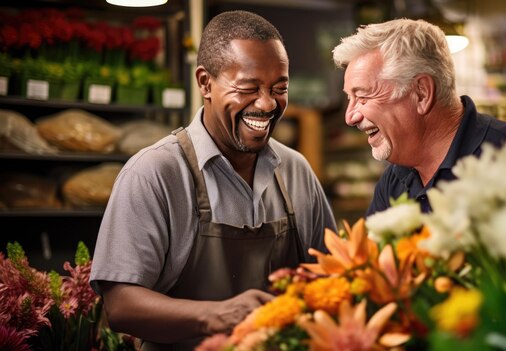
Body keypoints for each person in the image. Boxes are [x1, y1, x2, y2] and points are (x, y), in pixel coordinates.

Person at [90, 10, 336, 350]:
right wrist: (217, 315)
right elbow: (120, 306)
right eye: (248, 88)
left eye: (279, 88)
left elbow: (331, 276)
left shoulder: (295, 171)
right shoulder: (155, 173)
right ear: (205, 83)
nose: (266, 103)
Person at [332, 18, 506, 215]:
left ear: (421, 93)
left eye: (362, 97)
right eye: (349, 98)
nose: (349, 117)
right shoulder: (392, 183)